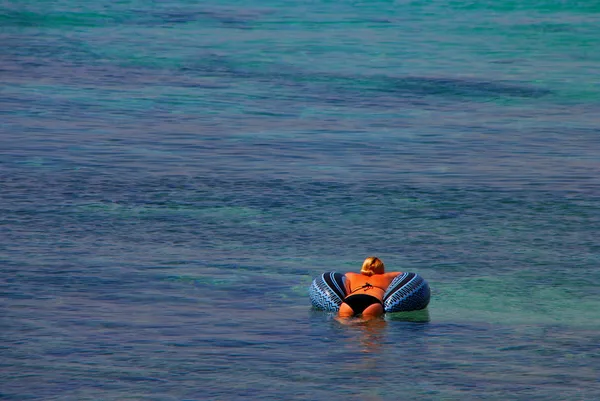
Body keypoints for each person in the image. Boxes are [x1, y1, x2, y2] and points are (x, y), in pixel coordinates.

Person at [338, 256, 402, 318]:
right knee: (368, 325)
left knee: (343, 324)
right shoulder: (387, 277)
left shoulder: (350, 275)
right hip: (373, 300)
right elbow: (403, 274)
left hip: (350, 300)